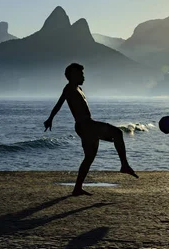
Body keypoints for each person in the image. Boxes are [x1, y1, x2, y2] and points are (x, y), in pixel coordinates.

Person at [44, 63, 138, 196]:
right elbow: (59, 104)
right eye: (80, 74)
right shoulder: (69, 88)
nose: (83, 76)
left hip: (87, 126)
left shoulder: (79, 88)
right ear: (72, 75)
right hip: (85, 125)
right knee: (117, 133)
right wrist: (50, 119)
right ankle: (124, 165)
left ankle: (77, 188)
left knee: (89, 157)